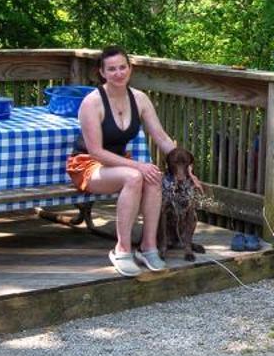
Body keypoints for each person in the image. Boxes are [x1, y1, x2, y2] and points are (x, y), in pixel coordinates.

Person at [66, 46, 194, 277]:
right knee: (136, 175)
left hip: (119, 163)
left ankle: (148, 246)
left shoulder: (140, 99)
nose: (118, 73)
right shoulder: (91, 103)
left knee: (152, 176)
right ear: (102, 73)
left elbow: (162, 138)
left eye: (122, 67)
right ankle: (121, 249)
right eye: (112, 69)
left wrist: (185, 165)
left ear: (130, 69)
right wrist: (137, 166)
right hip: (87, 164)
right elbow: (95, 152)